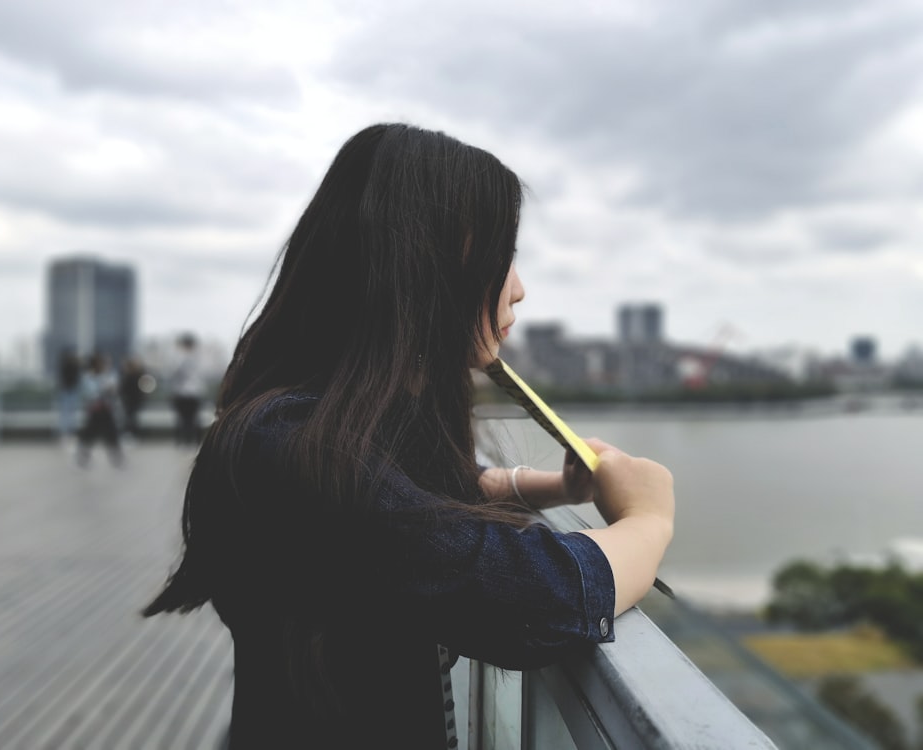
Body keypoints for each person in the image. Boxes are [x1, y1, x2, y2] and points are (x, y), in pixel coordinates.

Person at [143, 124, 674, 749]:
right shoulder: (294, 449)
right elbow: (537, 597)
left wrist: (550, 486)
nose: (520, 288)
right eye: (504, 255)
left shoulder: (307, 429)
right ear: (429, 267)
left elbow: (410, 504)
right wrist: (649, 517)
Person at [76, 352, 123, 467]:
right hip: (95, 410)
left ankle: (116, 458)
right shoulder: (88, 377)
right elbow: (88, 393)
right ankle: (83, 458)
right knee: (89, 434)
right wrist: (102, 391)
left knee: (111, 433)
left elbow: (114, 389)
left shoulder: (109, 375)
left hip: (106, 408)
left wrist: (109, 389)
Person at [168, 333, 204, 446]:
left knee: (183, 418)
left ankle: (183, 442)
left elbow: (174, 373)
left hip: (182, 392)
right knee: (193, 418)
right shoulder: (198, 356)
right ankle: (193, 441)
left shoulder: (180, 356)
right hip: (194, 392)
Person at [119, 356, 149, 441]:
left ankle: (131, 434)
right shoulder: (136, 375)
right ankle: (132, 434)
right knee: (131, 417)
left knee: (131, 418)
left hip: (131, 400)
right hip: (132, 400)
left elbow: (123, 389)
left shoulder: (131, 375)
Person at [56, 349, 82, 445]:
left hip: (69, 390)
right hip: (68, 390)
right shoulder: (68, 365)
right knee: (67, 413)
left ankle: (68, 433)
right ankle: (66, 433)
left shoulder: (70, 365)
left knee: (68, 413)